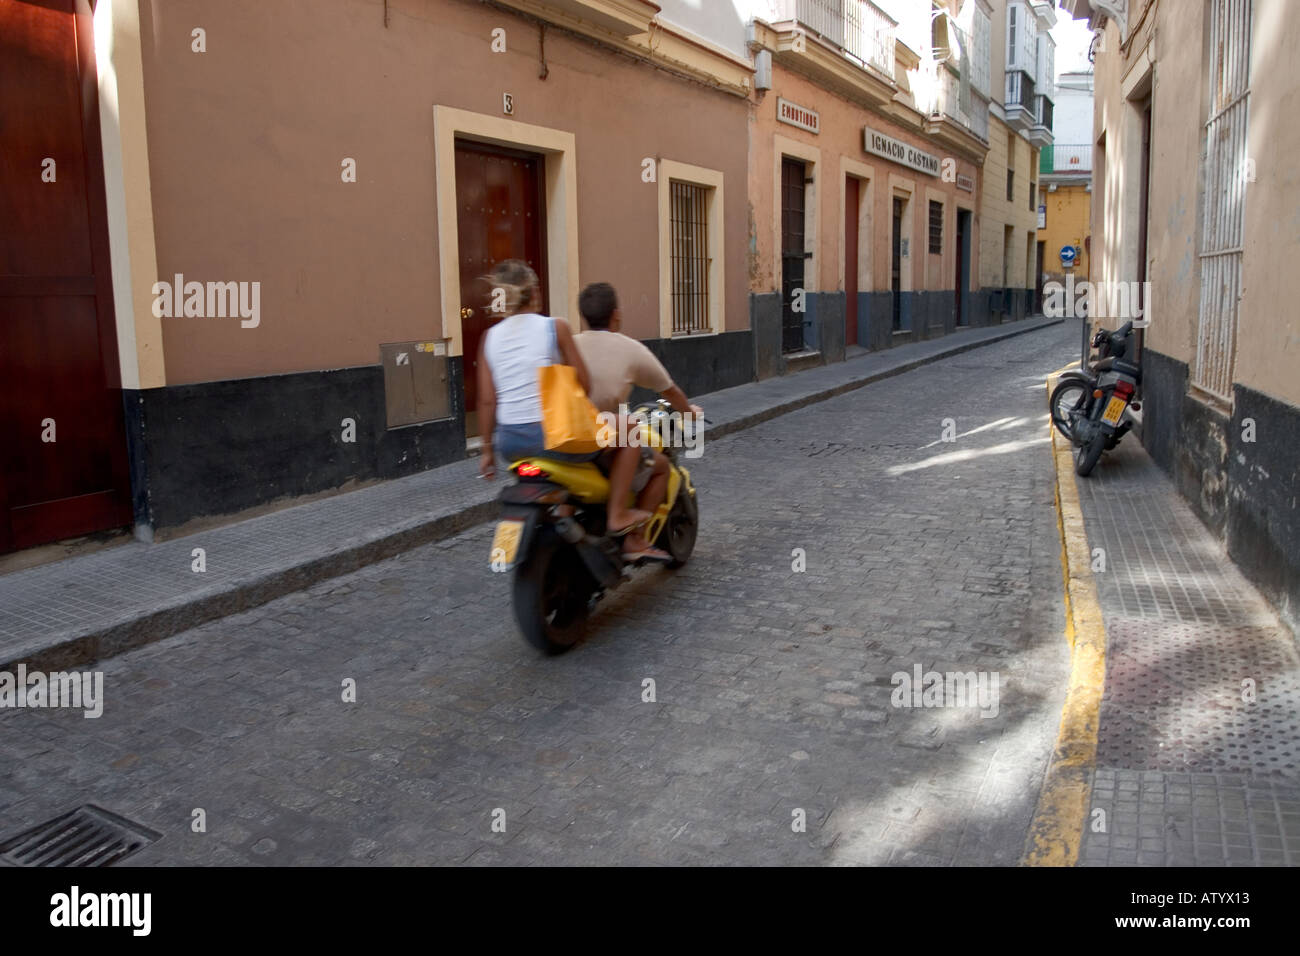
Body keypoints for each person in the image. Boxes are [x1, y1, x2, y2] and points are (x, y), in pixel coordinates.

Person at [476, 261, 663, 557]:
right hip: (553, 436)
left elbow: (487, 400)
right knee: (630, 430)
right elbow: (584, 385)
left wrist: (487, 451)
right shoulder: (555, 327)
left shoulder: (489, 337)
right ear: (535, 292)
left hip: (510, 443)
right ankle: (617, 515)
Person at [573, 281, 702, 551]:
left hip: (566, 438)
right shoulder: (630, 349)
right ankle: (635, 538)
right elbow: (671, 391)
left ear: (583, 316)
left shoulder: (569, 346)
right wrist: (689, 414)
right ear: (616, 314)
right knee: (661, 469)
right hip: (603, 443)